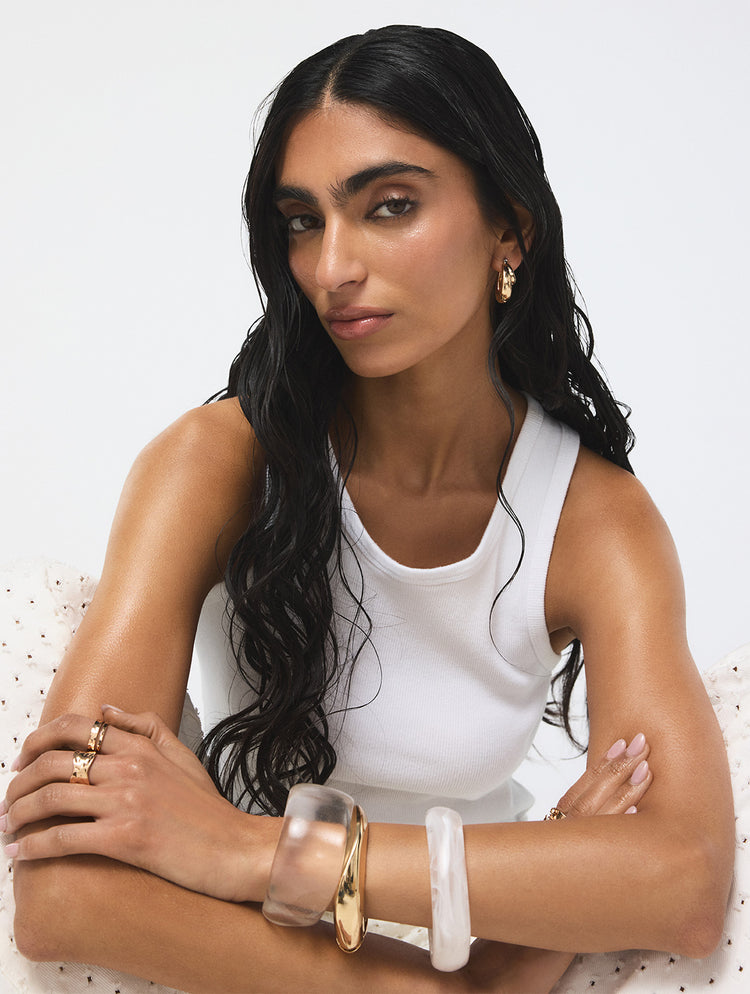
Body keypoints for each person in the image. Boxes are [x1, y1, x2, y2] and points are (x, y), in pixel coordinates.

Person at [1, 24, 734, 994]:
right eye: (302, 220)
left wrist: (260, 849)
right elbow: (63, 902)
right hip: (261, 941)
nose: (332, 265)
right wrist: (443, 988)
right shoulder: (216, 459)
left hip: (456, 905)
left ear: (508, 227)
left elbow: (683, 885)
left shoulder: (595, 519)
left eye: (388, 207)